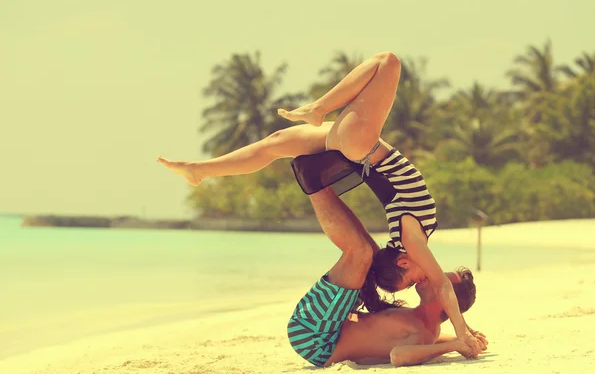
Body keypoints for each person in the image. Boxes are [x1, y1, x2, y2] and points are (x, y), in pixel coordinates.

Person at [157, 51, 484, 354]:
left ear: (401, 263)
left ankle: (318, 108)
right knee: (274, 144)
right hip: (361, 153)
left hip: (363, 148)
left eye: (414, 279)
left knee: (388, 62)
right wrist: (459, 332)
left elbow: (441, 284)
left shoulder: (412, 241)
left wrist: (462, 330)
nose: (426, 274)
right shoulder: (407, 241)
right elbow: (440, 285)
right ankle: (199, 170)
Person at [286, 187, 485, 367]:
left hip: (318, 339)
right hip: (329, 325)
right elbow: (441, 338)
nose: (434, 276)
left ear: (445, 301)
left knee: (361, 253)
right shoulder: (426, 326)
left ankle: (313, 187)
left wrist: (455, 346)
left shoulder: (423, 332)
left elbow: (399, 355)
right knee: (374, 255)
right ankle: (324, 189)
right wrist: (467, 335)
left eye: (443, 283)